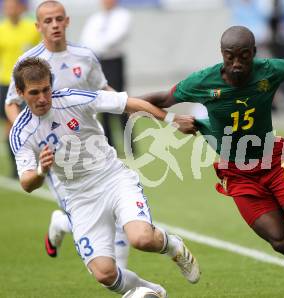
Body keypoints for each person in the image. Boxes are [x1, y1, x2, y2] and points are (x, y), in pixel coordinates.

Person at [141, 26, 284, 297]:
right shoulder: (202, 82)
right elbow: (152, 100)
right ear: (221, 55)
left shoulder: (270, 70)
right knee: (281, 241)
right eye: (230, 57)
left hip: (274, 161)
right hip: (238, 175)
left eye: (244, 57)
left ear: (254, 53)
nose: (237, 64)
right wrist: (171, 120)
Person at [9, 57, 200, 296]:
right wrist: (40, 171)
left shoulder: (73, 99)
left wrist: (172, 121)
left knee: (141, 239)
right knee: (105, 274)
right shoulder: (21, 132)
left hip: (112, 178)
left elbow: (128, 102)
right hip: (79, 197)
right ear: (20, 92)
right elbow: (27, 182)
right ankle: (153, 292)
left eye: (46, 89)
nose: (42, 98)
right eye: (34, 92)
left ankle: (173, 246)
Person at [4, 0, 129, 268]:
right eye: (48, 21)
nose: (55, 25)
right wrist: (26, 141)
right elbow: (11, 103)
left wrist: (129, 105)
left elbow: (102, 89)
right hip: (55, 156)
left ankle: (123, 278)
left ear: (68, 21)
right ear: (39, 26)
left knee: (114, 212)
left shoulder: (84, 56)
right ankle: (65, 224)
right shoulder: (29, 63)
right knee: (88, 215)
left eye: (59, 19)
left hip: (90, 145)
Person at [80, 0, 134, 153]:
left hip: (113, 61)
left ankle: (130, 143)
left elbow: (115, 36)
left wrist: (97, 46)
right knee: (102, 100)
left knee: (120, 100)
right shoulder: (95, 18)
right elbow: (86, 39)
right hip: (98, 62)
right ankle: (109, 143)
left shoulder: (123, 15)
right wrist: (94, 49)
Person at [0, 0, 40, 177]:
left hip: (28, 84)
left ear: (20, 7)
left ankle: (36, 163)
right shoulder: (1, 29)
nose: (9, 10)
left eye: (12, 6)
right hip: (5, 83)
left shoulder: (31, 28)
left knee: (32, 124)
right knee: (11, 124)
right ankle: (16, 165)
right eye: (6, 7)